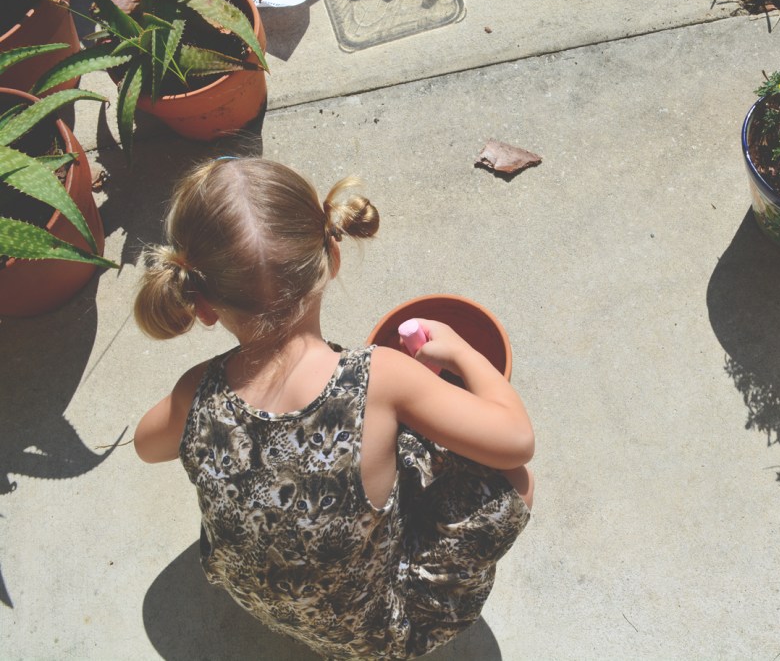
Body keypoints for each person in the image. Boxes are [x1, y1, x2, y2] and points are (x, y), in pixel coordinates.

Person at [133, 158, 534, 659]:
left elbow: (146, 446)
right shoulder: (380, 376)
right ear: (333, 257)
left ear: (204, 306)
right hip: (374, 635)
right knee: (515, 482)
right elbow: (516, 440)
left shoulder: (198, 389)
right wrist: (461, 351)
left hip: (262, 599)